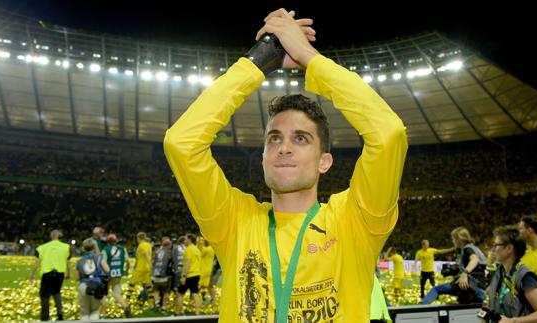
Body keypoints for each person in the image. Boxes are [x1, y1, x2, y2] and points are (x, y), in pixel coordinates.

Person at [163, 8, 407, 321]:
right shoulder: (233, 222)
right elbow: (181, 143)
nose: (284, 148)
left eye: (301, 139)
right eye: (274, 139)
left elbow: (389, 134)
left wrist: (309, 57)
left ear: (324, 162)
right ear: (263, 155)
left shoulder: (356, 220)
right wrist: (259, 61)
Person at [485, 225, 537, 323]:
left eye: (496, 245)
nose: (493, 249)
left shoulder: (525, 277)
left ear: (509, 248)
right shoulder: (499, 273)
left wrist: (513, 321)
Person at [420, 226, 487, 304]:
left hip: (470, 287)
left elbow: (475, 259)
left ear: (459, 239)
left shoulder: (467, 249)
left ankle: (420, 308)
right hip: (480, 289)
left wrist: (465, 273)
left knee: (436, 289)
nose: (453, 241)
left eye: (453, 239)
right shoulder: (475, 248)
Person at [29, 229, 71, 321]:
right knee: (56, 292)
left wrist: (32, 274)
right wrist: (68, 273)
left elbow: (37, 262)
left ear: (51, 237)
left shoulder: (42, 247)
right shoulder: (66, 247)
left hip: (47, 273)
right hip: (60, 273)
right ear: (59, 237)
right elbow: (68, 262)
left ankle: (45, 317)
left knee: (44, 295)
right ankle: (60, 314)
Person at [75, 238, 110, 320]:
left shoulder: (80, 260)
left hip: (84, 285)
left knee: (84, 312)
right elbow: (107, 269)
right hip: (96, 285)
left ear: (84, 248)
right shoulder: (99, 258)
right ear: (94, 247)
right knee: (95, 310)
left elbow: (76, 278)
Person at [102, 233, 131, 318]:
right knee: (116, 293)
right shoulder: (122, 249)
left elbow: (103, 262)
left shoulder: (105, 250)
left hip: (108, 275)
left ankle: (103, 315)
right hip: (118, 274)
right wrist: (127, 270)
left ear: (107, 242)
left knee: (103, 294)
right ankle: (125, 306)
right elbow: (128, 261)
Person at [177, 234, 201, 315]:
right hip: (196, 274)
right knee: (195, 293)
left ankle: (179, 312)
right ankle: (197, 312)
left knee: (179, 294)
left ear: (190, 239)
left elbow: (188, 263)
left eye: (186, 239)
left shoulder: (189, 249)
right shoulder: (196, 249)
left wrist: (183, 276)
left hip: (189, 275)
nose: (185, 240)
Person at [128, 232, 153, 305]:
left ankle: (127, 301)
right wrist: (150, 265)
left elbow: (146, 254)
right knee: (148, 285)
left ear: (138, 238)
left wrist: (150, 263)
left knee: (132, 283)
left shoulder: (141, 245)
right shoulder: (149, 245)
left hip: (141, 268)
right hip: (147, 268)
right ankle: (151, 302)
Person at [152, 237, 173, 312]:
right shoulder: (169, 252)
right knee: (166, 292)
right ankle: (163, 307)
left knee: (156, 290)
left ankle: (157, 303)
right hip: (165, 275)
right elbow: (172, 262)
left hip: (156, 274)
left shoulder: (157, 251)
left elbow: (153, 261)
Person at [171, 235, 187, 313]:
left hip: (181, 271)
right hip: (182, 271)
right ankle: (180, 309)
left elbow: (174, 258)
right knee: (179, 291)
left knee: (179, 291)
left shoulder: (181, 248)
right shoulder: (181, 248)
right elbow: (175, 258)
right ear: (183, 241)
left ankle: (180, 310)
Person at [197, 236, 215, 302]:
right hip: (209, 269)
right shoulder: (212, 248)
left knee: (202, 285)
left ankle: (203, 299)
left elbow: (200, 251)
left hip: (205, 270)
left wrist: (199, 242)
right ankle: (212, 299)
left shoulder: (207, 249)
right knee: (210, 286)